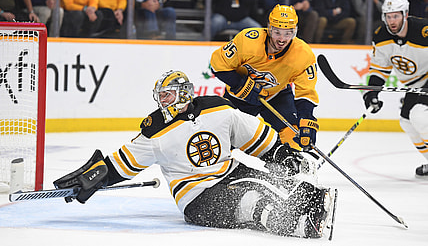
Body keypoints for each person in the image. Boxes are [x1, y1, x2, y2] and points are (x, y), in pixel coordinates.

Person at [52, 70, 337, 238]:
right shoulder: (155, 131)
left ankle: (311, 202)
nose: (161, 101)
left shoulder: (217, 108)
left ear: (183, 94)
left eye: (166, 95)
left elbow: (252, 135)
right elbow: (122, 162)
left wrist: (279, 152)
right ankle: (300, 224)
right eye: (160, 96)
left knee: (275, 181)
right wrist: (92, 177)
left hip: (228, 173)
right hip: (197, 198)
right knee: (252, 200)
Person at [210, 4, 319, 152]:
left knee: (293, 134)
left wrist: (306, 119)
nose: (282, 39)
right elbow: (218, 66)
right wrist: (241, 85)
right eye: (277, 32)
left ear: (295, 32)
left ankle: (291, 169)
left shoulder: (303, 54)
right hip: (239, 97)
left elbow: (306, 92)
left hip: (276, 95)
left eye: (288, 33)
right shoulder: (248, 41)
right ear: (269, 28)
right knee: (224, 140)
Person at [362, 0, 428, 178]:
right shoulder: (381, 36)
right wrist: (371, 95)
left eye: (396, 16)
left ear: (405, 15)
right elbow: (379, 69)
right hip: (415, 84)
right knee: (406, 121)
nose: (392, 21)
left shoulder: (423, 30)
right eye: (389, 16)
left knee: (420, 115)